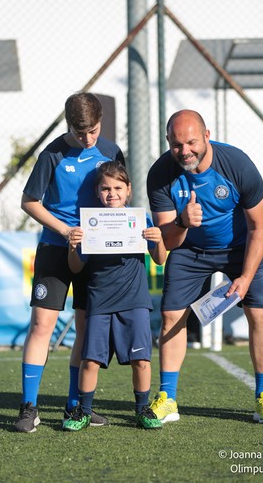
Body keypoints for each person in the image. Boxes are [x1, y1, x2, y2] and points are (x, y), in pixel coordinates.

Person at [146, 109, 263, 425]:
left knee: (260, 313)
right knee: (170, 316)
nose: (185, 152)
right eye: (176, 145)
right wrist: (182, 221)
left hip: (240, 247)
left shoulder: (237, 165)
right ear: (168, 142)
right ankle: (167, 398)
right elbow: (168, 242)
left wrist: (247, 277)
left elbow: (258, 228)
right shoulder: (160, 174)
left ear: (207, 136)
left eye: (191, 142)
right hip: (190, 248)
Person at [14, 92, 125, 433]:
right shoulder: (52, 154)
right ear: (68, 125)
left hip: (97, 251)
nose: (87, 138)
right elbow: (29, 202)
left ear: (100, 122)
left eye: (92, 131)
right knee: (41, 326)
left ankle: (75, 406)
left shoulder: (111, 151)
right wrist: (65, 230)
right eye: (81, 133)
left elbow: (120, 193)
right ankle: (28, 407)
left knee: (86, 328)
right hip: (54, 247)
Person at [62, 161, 167, 431]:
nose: (112, 193)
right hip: (100, 301)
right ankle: (83, 411)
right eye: (106, 188)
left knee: (141, 360)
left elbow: (159, 259)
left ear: (128, 190)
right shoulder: (88, 224)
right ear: (97, 192)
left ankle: (142, 409)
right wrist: (73, 248)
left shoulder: (139, 219)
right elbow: (77, 267)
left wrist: (158, 239)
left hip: (135, 300)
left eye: (118, 187)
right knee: (91, 360)